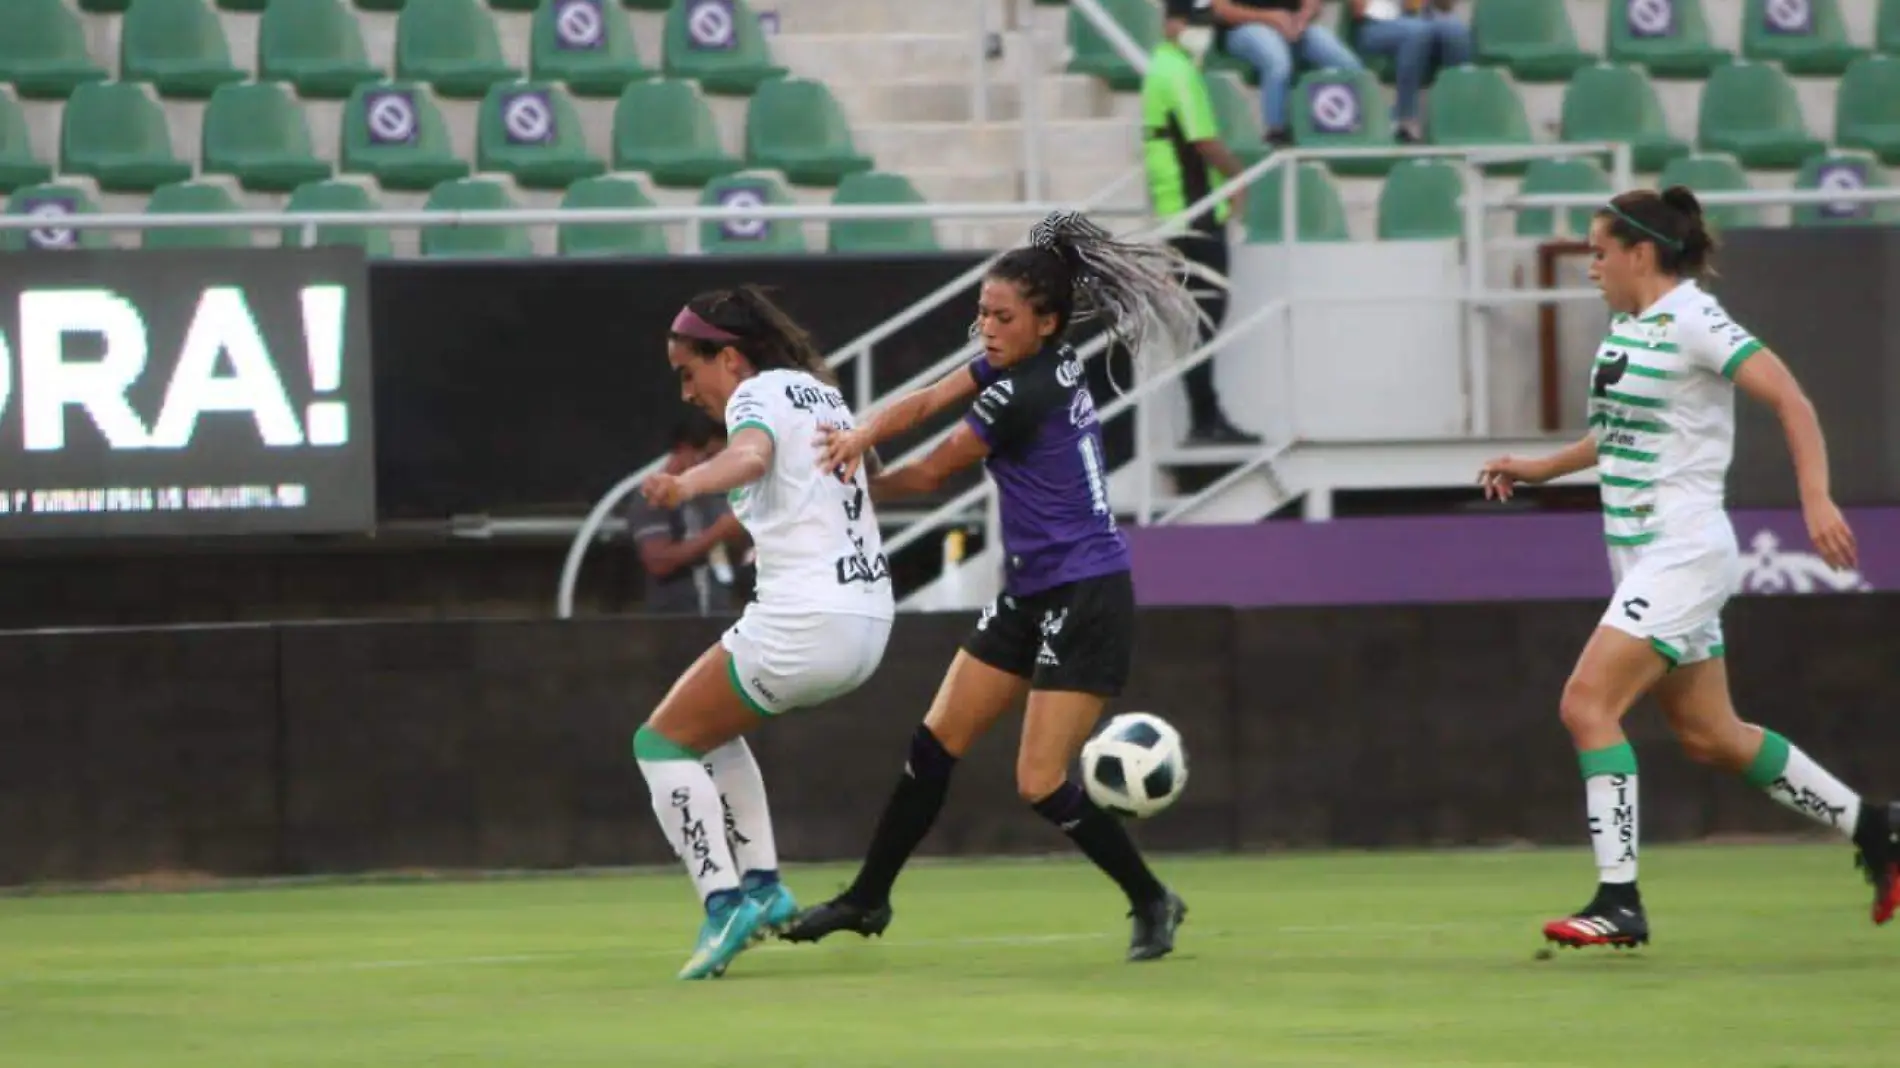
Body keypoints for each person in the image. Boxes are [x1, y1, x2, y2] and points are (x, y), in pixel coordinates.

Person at [1477, 187, 1898, 949]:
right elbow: (1615, 436)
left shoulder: (1696, 320)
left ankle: (1619, 900)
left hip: (1684, 550)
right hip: (1642, 552)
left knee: (1585, 705)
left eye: (1599, 252)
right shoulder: (1627, 326)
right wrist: (1542, 468)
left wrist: (1817, 500)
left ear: (1641, 254)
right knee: (1710, 734)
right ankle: (1876, 826)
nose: (1591, 267)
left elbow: (1791, 399)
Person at [779, 211, 1199, 962]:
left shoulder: (1024, 390)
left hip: (1086, 592)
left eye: (1002, 316)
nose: (987, 327)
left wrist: (842, 482)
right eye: (981, 312)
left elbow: (936, 468)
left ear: (1045, 322)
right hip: (1034, 589)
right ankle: (868, 899)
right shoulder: (1021, 363)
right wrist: (864, 441)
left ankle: (1152, 898)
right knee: (935, 741)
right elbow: (925, 400)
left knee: (1039, 780)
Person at [632, 285, 895, 980]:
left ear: (729, 357)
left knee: (659, 742)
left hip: (806, 620)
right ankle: (764, 887)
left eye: (688, 371)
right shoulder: (820, 393)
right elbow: (867, 475)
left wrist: (687, 487)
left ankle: (724, 904)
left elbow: (748, 457)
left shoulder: (754, 394)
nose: (687, 393)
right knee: (709, 734)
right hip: (868, 619)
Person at [1143, 0, 1263, 447]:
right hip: (1193, 212)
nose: (1200, 32)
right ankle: (1205, 422)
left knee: (1200, 320)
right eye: (1193, 23)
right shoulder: (1177, 71)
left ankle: (1207, 418)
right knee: (1204, 319)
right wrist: (1238, 179)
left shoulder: (1164, 67)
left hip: (1180, 211)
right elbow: (1204, 140)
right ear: (1171, 23)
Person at [625, 413, 744, 616]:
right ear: (684, 450)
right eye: (708, 458)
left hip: (717, 614)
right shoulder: (653, 496)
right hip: (675, 621)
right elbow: (658, 561)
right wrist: (718, 532)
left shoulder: (714, 494)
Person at [1210, 0, 1365, 146]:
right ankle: (1277, 131)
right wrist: (1269, 18)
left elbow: (1312, 4)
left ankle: (1361, 126)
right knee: (1277, 61)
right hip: (1243, 28)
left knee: (1347, 63)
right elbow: (1222, 10)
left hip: (1292, 25)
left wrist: (1302, 18)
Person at [1345, 0, 1470, 143]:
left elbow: (1445, 7)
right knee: (1417, 31)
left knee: (1455, 31)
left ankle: (1455, 115)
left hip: (1424, 18)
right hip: (1375, 26)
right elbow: (1358, 11)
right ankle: (1405, 117)